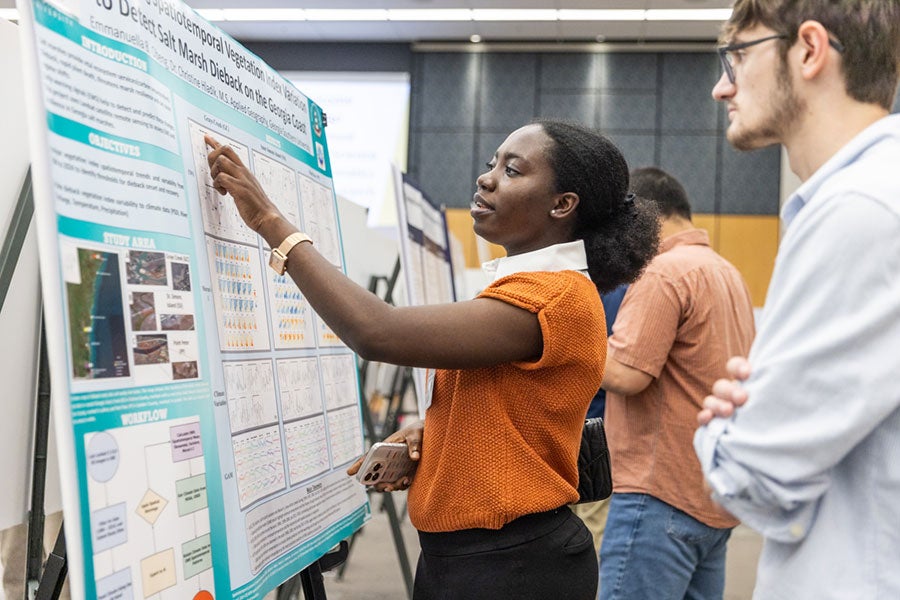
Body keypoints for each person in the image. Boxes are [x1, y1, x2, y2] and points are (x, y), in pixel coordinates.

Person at [206, 119, 659, 600]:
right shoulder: (536, 289)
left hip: (512, 566)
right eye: (491, 165)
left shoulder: (554, 295)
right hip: (476, 558)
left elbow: (378, 332)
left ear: (562, 204)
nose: (486, 178)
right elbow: (515, 409)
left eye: (513, 170)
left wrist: (272, 225)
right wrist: (439, 432)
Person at [693, 2, 900, 599]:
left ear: (808, 50)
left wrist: (721, 424)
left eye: (738, 55)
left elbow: (752, 478)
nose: (720, 86)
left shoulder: (861, 212)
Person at [597, 167, 756, 599]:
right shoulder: (727, 273)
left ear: (643, 217)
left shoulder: (663, 273)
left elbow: (627, 375)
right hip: (709, 495)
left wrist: (564, 338)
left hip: (657, 493)